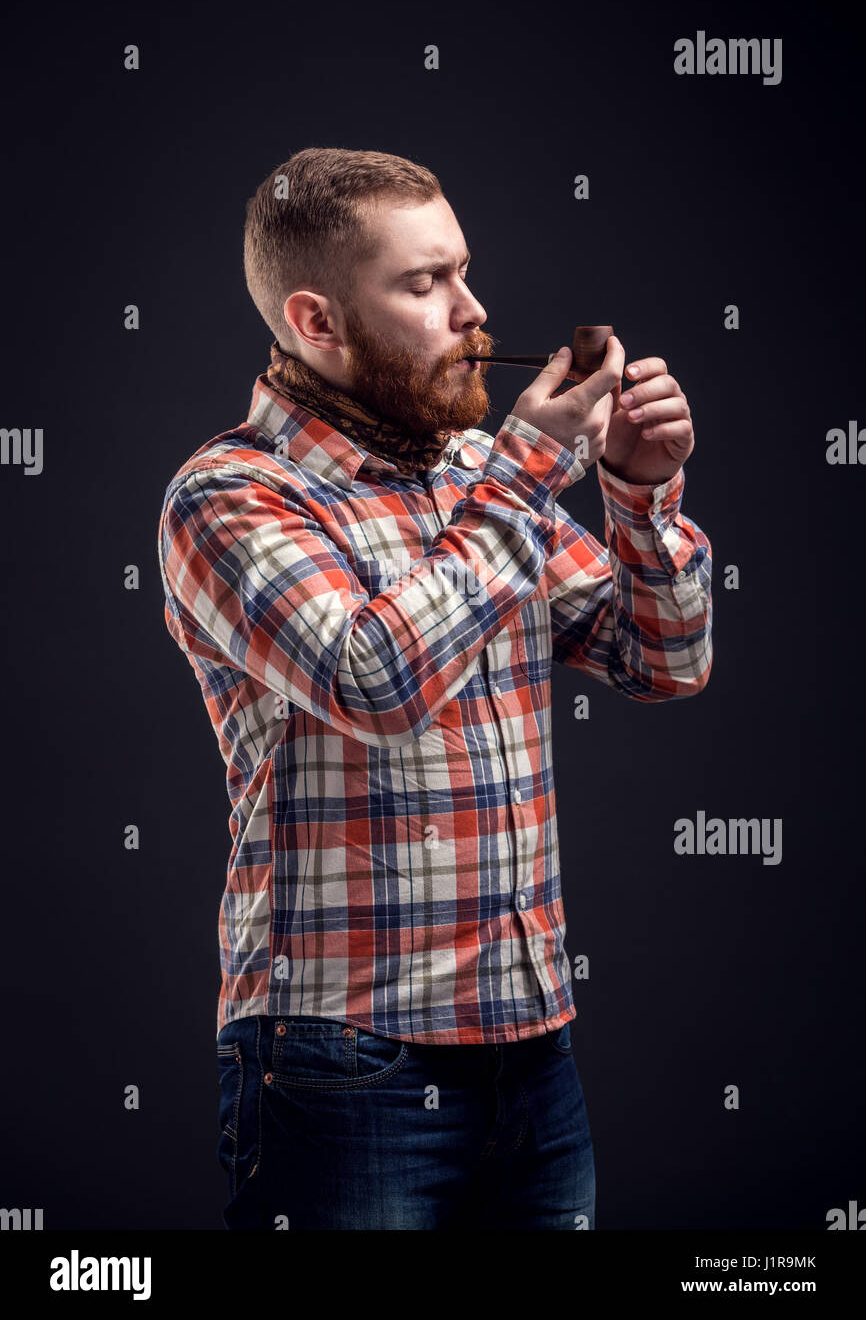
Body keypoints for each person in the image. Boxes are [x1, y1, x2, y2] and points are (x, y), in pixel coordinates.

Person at [157, 147, 713, 1230]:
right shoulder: (227, 496)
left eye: (462, 271)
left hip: (532, 1050)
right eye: (423, 284)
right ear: (317, 321)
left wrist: (638, 497)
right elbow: (373, 679)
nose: (473, 311)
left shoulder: (471, 479)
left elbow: (662, 659)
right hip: (342, 1063)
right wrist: (524, 472)